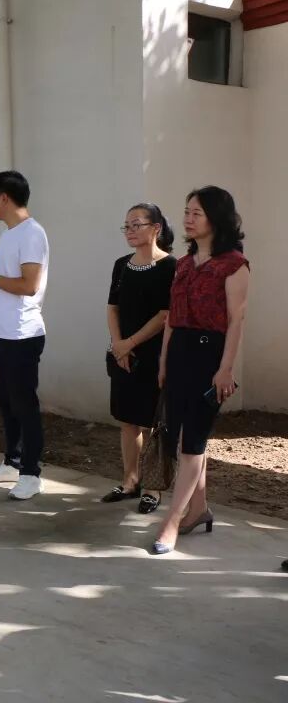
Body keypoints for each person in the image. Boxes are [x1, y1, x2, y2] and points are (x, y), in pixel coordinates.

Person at [152, 186, 249, 555]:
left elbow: (236, 321)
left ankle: (172, 521)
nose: (188, 219)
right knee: (183, 439)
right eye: (187, 211)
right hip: (178, 352)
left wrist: (226, 369)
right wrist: (164, 360)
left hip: (210, 356)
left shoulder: (234, 264)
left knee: (193, 442)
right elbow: (173, 318)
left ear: (216, 218)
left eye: (197, 213)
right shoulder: (182, 264)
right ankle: (199, 509)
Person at [0, 171, 50, 500]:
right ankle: (12, 462)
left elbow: (29, 286)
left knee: (25, 405)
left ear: (4, 197)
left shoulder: (31, 234)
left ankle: (31, 474)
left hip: (23, 334)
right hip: (4, 333)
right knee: (7, 402)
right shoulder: (9, 234)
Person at [103, 204, 176, 514]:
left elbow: (164, 314)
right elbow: (113, 307)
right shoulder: (121, 265)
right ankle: (130, 482)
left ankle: (152, 488)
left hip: (153, 354)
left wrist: (129, 343)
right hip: (123, 354)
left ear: (156, 228)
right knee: (127, 421)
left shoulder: (170, 266)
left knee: (151, 423)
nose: (130, 231)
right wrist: (118, 344)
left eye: (137, 224)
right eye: (127, 226)